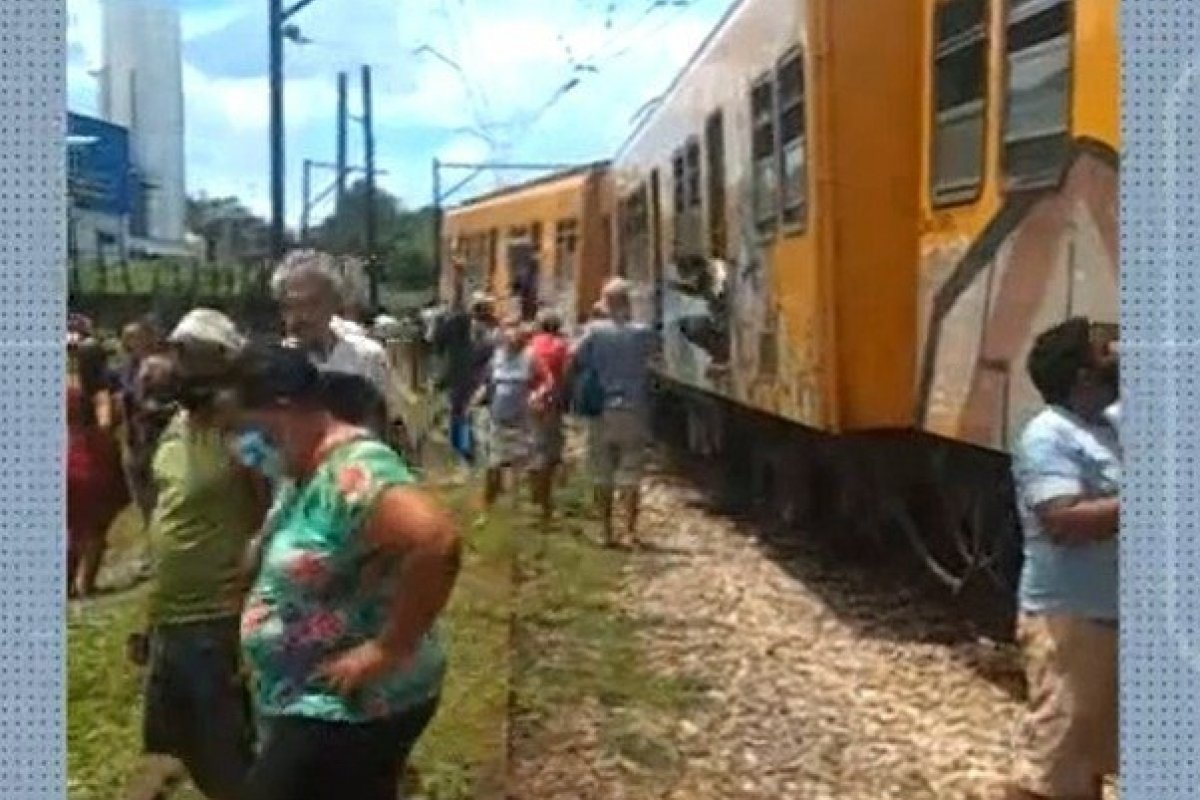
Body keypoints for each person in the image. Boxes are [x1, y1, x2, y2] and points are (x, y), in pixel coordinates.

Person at [235, 344, 460, 800]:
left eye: (248, 429)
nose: (245, 446)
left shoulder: (356, 470)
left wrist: (387, 648)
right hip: (315, 699)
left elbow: (437, 542)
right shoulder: (305, 470)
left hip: (349, 705)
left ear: (283, 409)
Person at [139, 309, 269, 800]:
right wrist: (147, 617)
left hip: (216, 619)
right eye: (177, 352)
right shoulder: (175, 427)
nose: (178, 364)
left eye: (190, 355)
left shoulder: (245, 434)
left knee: (227, 756)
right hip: (170, 618)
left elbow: (278, 509)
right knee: (177, 748)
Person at [1003, 317, 1119, 800]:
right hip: (1071, 620)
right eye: (1109, 353)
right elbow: (1063, 521)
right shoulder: (1047, 436)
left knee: (1088, 757)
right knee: (1056, 764)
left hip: (1113, 615)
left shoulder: (1111, 424)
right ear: (1083, 378)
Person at [272, 251, 397, 442]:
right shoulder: (270, 368)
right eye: (293, 305)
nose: (302, 315)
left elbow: (385, 427)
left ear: (333, 304)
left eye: (313, 304)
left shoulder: (367, 357)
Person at [569, 278, 656, 548]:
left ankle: (606, 531)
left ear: (605, 303)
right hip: (633, 409)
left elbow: (574, 357)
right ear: (628, 303)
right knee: (631, 471)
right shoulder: (642, 332)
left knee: (601, 472)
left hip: (602, 409)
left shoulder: (594, 332)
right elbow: (655, 355)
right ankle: (630, 531)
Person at [67, 323, 129, 598]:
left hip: (70, 453)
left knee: (72, 525)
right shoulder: (100, 392)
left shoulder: (69, 386)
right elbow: (104, 424)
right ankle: (85, 584)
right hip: (96, 459)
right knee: (94, 528)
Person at [475, 317, 538, 516]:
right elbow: (487, 384)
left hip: (521, 419)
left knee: (519, 464)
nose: (511, 341)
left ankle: (515, 509)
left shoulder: (530, 357)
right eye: (507, 337)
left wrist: (538, 395)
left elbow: (545, 381)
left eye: (515, 338)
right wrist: (476, 399)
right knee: (494, 464)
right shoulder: (496, 357)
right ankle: (488, 507)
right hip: (497, 418)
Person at [527, 308, 570, 521]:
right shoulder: (561, 346)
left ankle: (535, 496)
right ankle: (544, 501)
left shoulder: (530, 345)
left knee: (534, 446)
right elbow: (566, 375)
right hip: (551, 404)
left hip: (528, 401)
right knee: (549, 453)